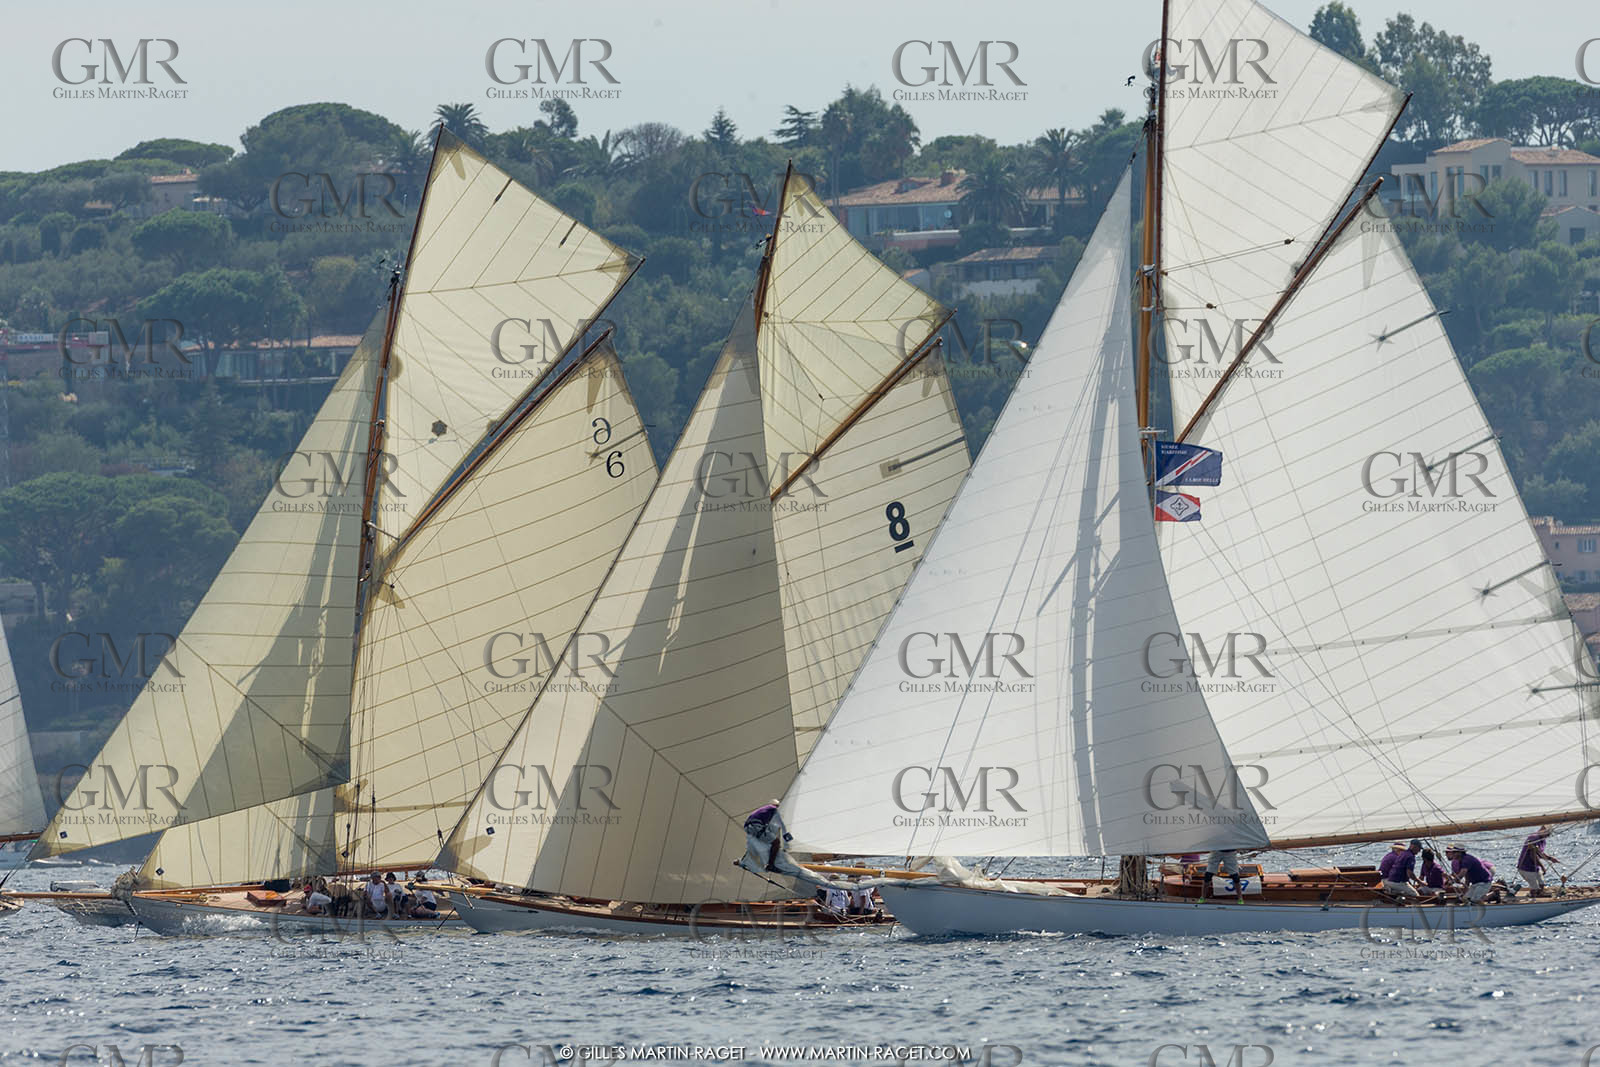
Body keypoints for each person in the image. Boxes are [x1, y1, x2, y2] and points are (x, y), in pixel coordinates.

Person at [743, 800, 792, 873]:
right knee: (776, 842)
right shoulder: (774, 810)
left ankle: (745, 860)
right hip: (756, 826)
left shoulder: (765, 809)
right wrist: (787, 842)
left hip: (749, 826)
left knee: (760, 841)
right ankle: (770, 865)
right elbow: (782, 825)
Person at [1516, 825, 1560, 896]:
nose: (1548, 835)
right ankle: (1533, 896)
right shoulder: (1534, 838)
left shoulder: (1542, 840)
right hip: (1525, 868)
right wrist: (1542, 867)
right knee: (1535, 889)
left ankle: (1539, 894)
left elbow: (1540, 853)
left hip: (1534, 867)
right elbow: (1533, 856)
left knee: (1542, 885)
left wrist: (1550, 858)